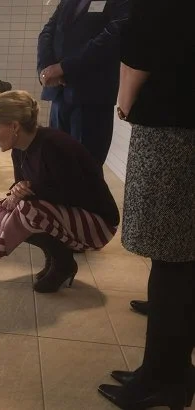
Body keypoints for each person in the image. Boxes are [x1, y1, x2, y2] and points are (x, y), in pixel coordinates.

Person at [97, 0, 195, 408]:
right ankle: (171, 369)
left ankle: (162, 376)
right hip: (183, 126)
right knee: (181, 258)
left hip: (172, 131)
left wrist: (124, 103)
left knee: (171, 259)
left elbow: (141, 53)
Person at [0, 91, 119, 293]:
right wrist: (16, 190)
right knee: (7, 207)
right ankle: (54, 258)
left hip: (98, 224)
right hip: (72, 217)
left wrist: (28, 192)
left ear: (14, 126)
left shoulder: (54, 145)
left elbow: (73, 194)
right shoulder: (20, 148)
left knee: (27, 211)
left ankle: (64, 264)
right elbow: (24, 184)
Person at [37, 0, 129, 167]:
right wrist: (45, 68)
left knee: (85, 167)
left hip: (92, 96)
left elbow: (111, 38)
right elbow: (47, 31)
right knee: (56, 163)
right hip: (59, 95)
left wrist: (64, 67)